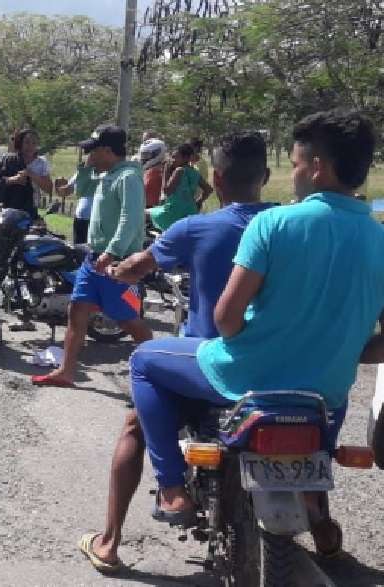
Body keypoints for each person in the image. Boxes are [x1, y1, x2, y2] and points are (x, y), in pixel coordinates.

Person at [132, 110, 384, 544]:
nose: (297, 174)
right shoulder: (379, 238)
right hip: (327, 393)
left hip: (246, 378)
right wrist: (344, 348)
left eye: (298, 163)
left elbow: (226, 322)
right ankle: (317, 513)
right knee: (324, 424)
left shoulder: (274, 224)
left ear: (318, 167)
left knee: (142, 361)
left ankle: (171, 487)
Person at [76, 131, 276, 572]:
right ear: (264, 176)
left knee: (135, 419)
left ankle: (117, 536)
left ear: (217, 180)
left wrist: (117, 270)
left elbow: (138, 268)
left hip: (210, 365)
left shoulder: (196, 228)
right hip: (280, 370)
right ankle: (322, 527)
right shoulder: (290, 226)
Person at [32, 125, 152, 387]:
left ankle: (162, 369)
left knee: (128, 321)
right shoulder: (107, 174)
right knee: (77, 311)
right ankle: (66, 371)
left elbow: (129, 219)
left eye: (93, 151)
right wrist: (85, 167)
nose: (89, 156)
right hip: (94, 258)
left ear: (108, 150)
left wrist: (112, 252)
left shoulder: (127, 178)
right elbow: (80, 189)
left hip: (117, 262)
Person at [148, 143, 214, 231]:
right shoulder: (195, 172)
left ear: (186, 158)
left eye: (176, 157)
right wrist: (198, 202)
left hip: (174, 212)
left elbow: (167, 191)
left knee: (143, 213)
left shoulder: (179, 171)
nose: (173, 160)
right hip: (190, 211)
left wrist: (166, 171)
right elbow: (209, 189)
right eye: (172, 156)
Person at [0, 129, 54, 220]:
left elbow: (49, 188)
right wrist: (14, 180)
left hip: (29, 210)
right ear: (20, 143)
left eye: (34, 143)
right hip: (7, 209)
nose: (31, 146)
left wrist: (31, 174)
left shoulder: (41, 163)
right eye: (27, 142)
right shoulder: (9, 159)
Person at [55, 155, 99, 245]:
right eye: (89, 154)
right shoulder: (82, 172)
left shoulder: (107, 171)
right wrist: (59, 187)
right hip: (81, 219)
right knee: (79, 250)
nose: (89, 157)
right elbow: (66, 191)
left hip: (96, 221)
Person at [139, 138, 167, 208]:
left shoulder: (159, 172)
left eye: (146, 155)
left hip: (151, 210)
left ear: (157, 153)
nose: (143, 158)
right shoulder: (149, 170)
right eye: (143, 155)